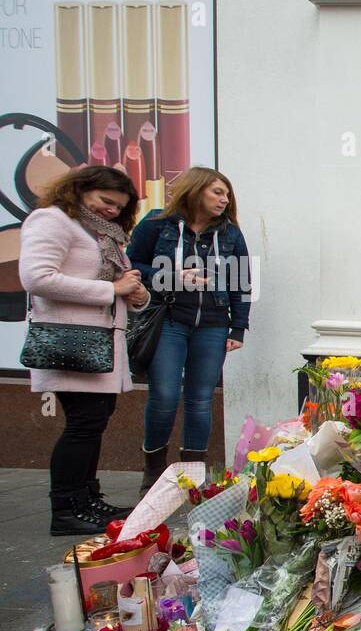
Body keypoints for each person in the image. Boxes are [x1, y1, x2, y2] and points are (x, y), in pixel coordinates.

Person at [19, 166, 150, 535]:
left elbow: (117, 285)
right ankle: (66, 508)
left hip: (99, 343)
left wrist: (136, 294)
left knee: (93, 422)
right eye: (105, 201)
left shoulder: (100, 233)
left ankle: (87, 499)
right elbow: (36, 278)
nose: (112, 210)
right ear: (80, 189)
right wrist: (113, 290)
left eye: (119, 206)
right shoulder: (52, 220)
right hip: (70, 343)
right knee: (83, 425)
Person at [128, 167, 252, 492]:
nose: (224, 199)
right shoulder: (158, 224)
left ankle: (191, 476)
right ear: (195, 190)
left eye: (227, 194)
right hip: (168, 319)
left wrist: (238, 327)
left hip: (213, 324)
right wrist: (169, 274)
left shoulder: (230, 233)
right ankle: (153, 470)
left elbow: (242, 281)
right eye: (217, 192)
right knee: (166, 395)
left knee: (200, 399)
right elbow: (131, 265)